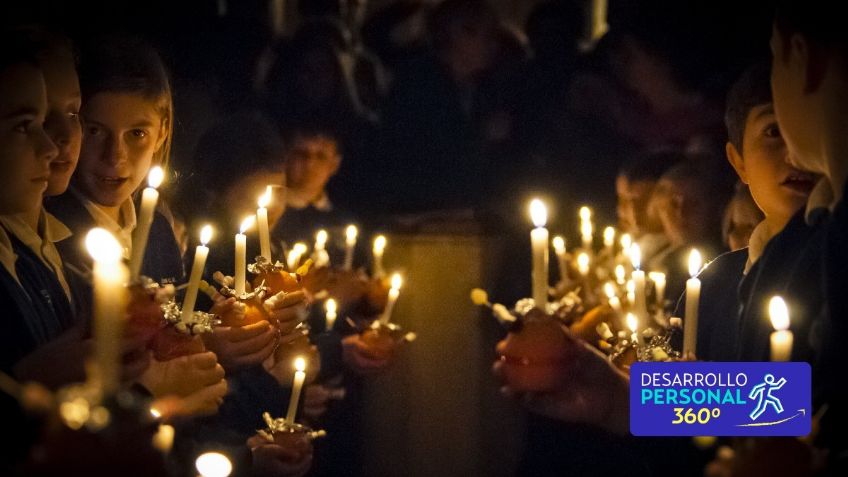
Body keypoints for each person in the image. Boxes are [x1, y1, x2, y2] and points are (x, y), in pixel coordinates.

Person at [675, 61, 818, 361]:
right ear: (739, 161)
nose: (796, 153)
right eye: (774, 131)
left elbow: (796, 407)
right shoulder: (712, 287)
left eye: (810, 130)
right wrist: (630, 391)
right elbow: (678, 401)